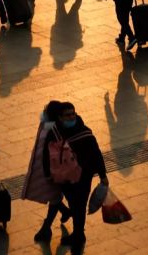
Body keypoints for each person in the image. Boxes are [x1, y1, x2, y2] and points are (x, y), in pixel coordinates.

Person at [43, 102, 108, 254]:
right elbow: (46, 154)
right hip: (65, 178)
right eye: (68, 115)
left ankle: (78, 236)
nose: (72, 117)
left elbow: (96, 154)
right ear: (60, 117)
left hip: (84, 177)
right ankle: (79, 234)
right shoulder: (54, 132)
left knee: (79, 206)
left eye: (73, 113)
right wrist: (47, 174)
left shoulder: (85, 132)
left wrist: (103, 175)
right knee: (74, 204)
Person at [21, 101, 72, 242]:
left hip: (46, 169)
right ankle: (58, 216)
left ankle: (47, 226)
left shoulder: (48, 126)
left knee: (54, 196)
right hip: (48, 170)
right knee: (54, 196)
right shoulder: (52, 127)